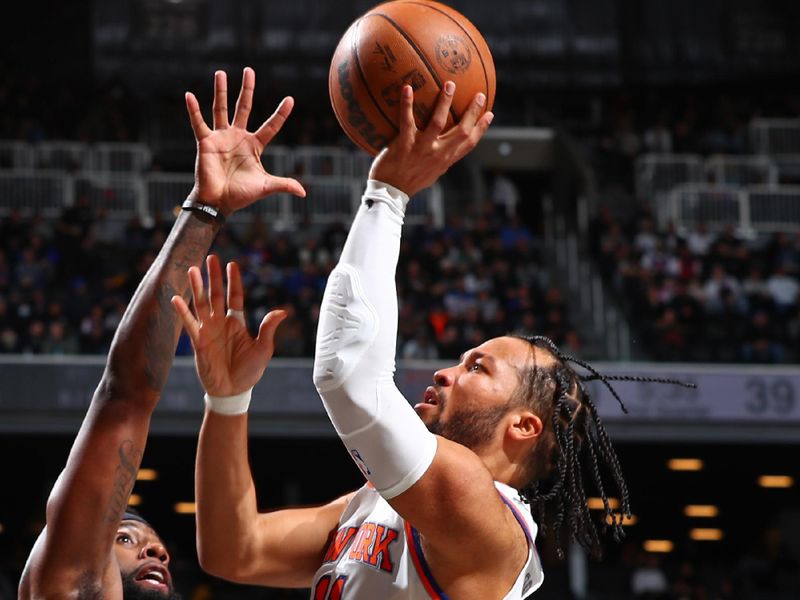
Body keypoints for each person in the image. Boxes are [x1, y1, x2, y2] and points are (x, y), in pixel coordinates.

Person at [183, 82, 692, 598]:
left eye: (478, 368)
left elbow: (349, 377)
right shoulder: (375, 504)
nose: (444, 373)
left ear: (523, 424)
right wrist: (227, 401)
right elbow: (234, 550)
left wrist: (387, 193)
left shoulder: (483, 513)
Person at [18, 66, 305, 599]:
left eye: (149, 544)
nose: (157, 551)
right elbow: (125, 398)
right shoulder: (73, 586)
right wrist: (207, 209)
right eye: (126, 538)